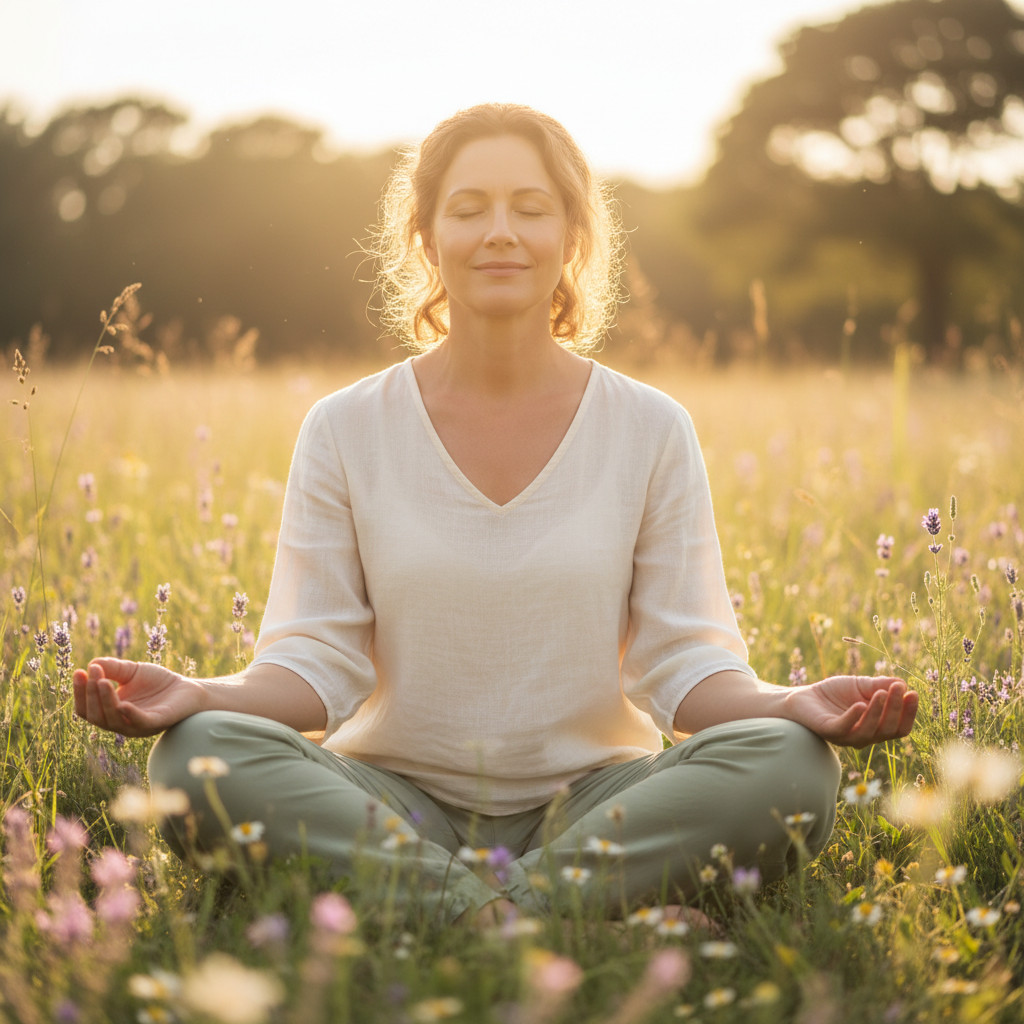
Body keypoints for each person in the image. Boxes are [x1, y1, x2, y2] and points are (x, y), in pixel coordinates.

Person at [73, 103, 918, 928]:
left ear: (572, 237)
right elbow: (314, 662)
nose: (501, 232)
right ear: (427, 237)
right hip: (393, 804)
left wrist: (792, 704)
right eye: (469, 208)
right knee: (196, 754)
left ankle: (451, 909)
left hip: (598, 805)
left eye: (531, 208)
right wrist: (200, 693)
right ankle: (546, 914)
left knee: (792, 766)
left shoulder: (651, 427)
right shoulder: (346, 427)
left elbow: (686, 666)